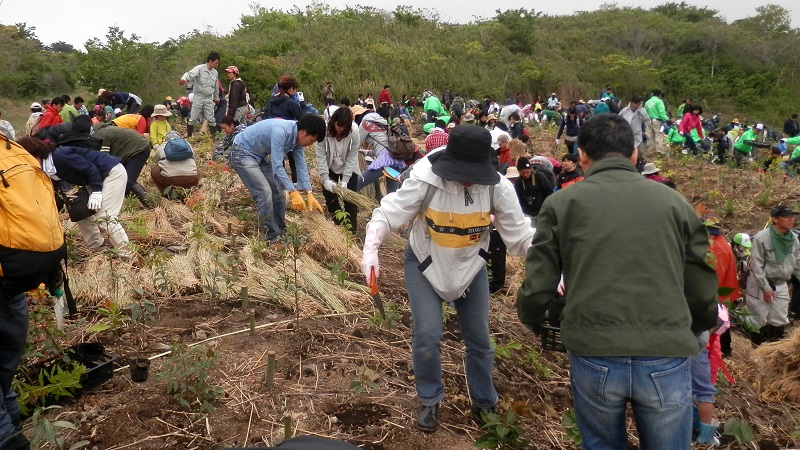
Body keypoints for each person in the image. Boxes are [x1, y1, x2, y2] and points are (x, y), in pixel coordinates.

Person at [516, 113, 717, 450]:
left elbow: (539, 283)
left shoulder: (563, 203)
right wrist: (689, 328)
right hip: (665, 353)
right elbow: (700, 283)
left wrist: (536, 319)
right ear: (634, 154)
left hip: (594, 348)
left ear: (582, 155)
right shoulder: (675, 203)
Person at [360, 125, 534, 432]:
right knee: (427, 336)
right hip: (425, 262)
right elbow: (390, 212)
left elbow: (520, 238)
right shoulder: (426, 178)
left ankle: (484, 402)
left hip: (470, 265)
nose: (467, 178)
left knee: (479, 339)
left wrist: (553, 261)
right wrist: (371, 248)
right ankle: (429, 398)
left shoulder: (496, 187)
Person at [20, 137, 132, 258]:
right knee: (79, 212)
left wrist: (96, 192)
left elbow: (90, 169)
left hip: (111, 172)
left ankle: (127, 254)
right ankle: (97, 248)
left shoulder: (60, 155)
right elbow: (55, 192)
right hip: (95, 179)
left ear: (34, 154)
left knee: (104, 216)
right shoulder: (46, 167)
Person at [230, 115, 326, 241]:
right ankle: (271, 237)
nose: (310, 144)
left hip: (260, 155)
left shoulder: (297, 137)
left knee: (278, 192)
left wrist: (309, 192)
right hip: (242, 152)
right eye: (312, 140)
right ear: (304, 132)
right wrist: (292, 192)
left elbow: (301, 165)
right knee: (264, 192)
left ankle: (281, 231)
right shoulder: (280, 131)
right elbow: (277, 166)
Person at [745, 205, 800, 344]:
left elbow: (797, 263)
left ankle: (772, 350)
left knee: (780, 318)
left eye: (792, 216)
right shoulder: (762, 238)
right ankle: (755, 349)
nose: (791, 219)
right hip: (759, 283)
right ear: (775, 219)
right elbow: (756, 266)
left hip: (781, 283)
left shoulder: (793, 239)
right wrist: (766, 288)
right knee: (758, 317)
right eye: (787, 217)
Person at [317, 107, 361, 231]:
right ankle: (339, 225)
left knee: (350, 200)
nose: (341, 129)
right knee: (330, 197)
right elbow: (320, 156)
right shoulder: (324, 130)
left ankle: (351, 232)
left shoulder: (354, 130)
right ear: (333, 122)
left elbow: (352, 156)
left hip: (349, 166)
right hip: (331, 165)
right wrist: (325, 179)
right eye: (339, 125)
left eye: (344, 127)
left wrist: (346, 179)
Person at [92, 121, 153, 207]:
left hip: (139, 148)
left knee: (129, 181)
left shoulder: (99, 135)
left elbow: (103, 161)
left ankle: (151, 204)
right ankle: (127, 203)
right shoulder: (99, 131)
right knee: (122, 178)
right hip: (133, 147)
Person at [356, 106, 404, 202]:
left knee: (356, 185)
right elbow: (383, 146)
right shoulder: (384, 124)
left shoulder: (365, 123)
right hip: (396, 159)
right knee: (392, 197)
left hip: (384, 161)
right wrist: (367, 152)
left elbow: (355, 145)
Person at [179, 52, 221, 136]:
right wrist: (184, 79)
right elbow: (189, 74)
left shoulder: (215, 73)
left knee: (211, 119)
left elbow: (216, 86)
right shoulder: (199, 68)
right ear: (210, 61)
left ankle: (214, 137)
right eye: (216, 63)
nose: (217, 65)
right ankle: (189, 136)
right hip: (199, 97)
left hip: (209, 98)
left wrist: (216, 98)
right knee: (193, 117)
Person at [151, 131, 200, 195]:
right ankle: (188, 192)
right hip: (191, 179)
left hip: (169, 180)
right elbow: (193, 159)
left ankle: (164, 192)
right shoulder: (187, 144)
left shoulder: (163, 146)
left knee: (154, 169)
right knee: (196, 169)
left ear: (166, 139)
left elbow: (156, 161)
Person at [514, 157, 553, 226]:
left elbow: (549, 193)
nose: (525, 175)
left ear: (530, 169)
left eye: (527, 172)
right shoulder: (518, 182)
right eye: (522, 173)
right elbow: (518, 198)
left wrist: (546, 208)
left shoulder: (540, 177)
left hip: (542, 211)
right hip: (527, 213)